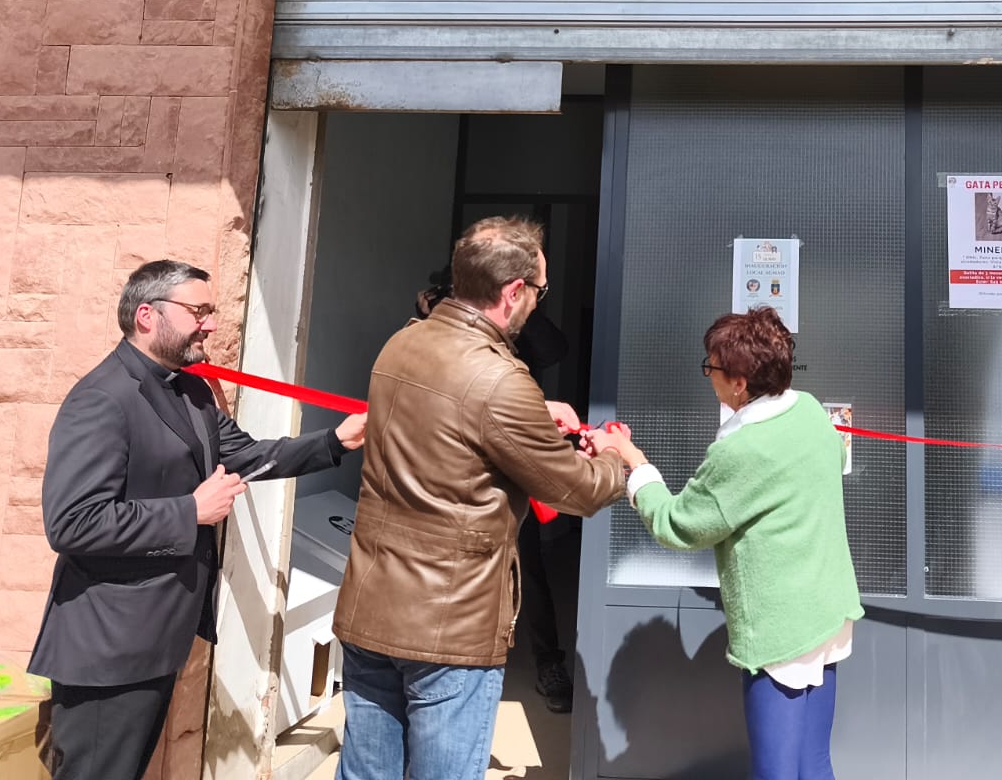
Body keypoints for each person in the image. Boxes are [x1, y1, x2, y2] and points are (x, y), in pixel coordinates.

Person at [29, 260, 367, 780]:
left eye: (211, 312)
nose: (210, 324)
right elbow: (73, 522)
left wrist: (334, 441)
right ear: (147, 315)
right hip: (107, 648)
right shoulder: (101, 398)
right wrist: (190, 511)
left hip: (155, 640)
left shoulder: (189, 390)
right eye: (198, 311)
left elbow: (249, 456)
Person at [333, 216, 627, 780]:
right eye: (539, 291)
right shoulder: (501, 379)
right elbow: (577, 491)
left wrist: (530, 416)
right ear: (514, 291)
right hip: (449, 624)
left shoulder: (402, 343)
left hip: (370, 603)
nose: (538, 302)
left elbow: (449, 416)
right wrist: (615, 456)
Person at [593, 306, 863, 780]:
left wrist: (632, 461)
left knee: (775, 772)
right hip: (828, 609)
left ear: (739, 383)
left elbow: (678, 524)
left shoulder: (741, 449)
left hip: (780, 630)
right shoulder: (808, 410)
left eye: (711, 367)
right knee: (814, 763)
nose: (708, 376)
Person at [414, 270, 577, 714]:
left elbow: (555, 350)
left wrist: (524, 307)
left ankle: (548, 662)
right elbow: (426, 367)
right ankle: (439, 661)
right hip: (454, 453)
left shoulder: (519, 314)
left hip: (510, 453)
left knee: (527, 564)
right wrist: (431, 312)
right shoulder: (445, 317)